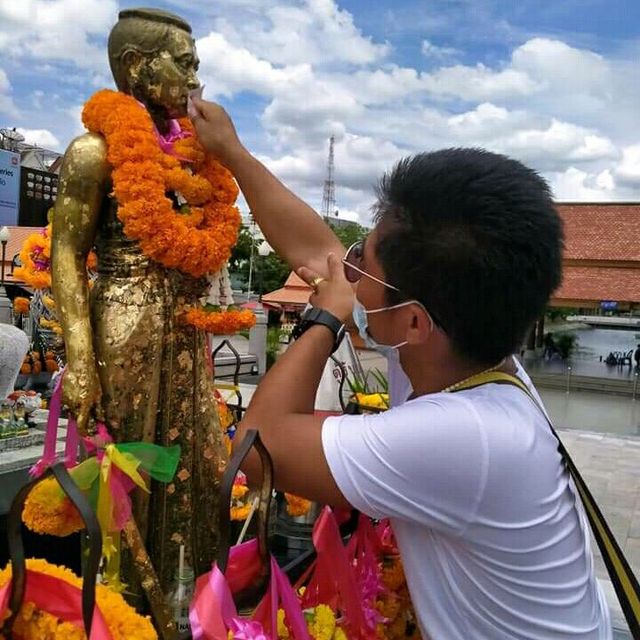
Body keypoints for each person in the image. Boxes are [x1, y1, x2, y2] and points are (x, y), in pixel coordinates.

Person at [190, 100, 611, 639]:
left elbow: (257, 442)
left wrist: (325, 318)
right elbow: (320, 254)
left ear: (413, 321)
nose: (351, 270)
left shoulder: (465, 434)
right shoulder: (460, 347)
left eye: (365, 262)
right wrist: (231, 151)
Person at [50, 8, 228, 594]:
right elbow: (67, 257)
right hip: (124, 329)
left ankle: (190, 597)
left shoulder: (192, 160)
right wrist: (79, 360)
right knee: (127, 466)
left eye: (197, 64)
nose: (195, 77)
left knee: (197, 463)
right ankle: (119, 603)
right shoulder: (93, 152)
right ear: (135, 66)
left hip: (184, 327)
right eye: (184, 62)